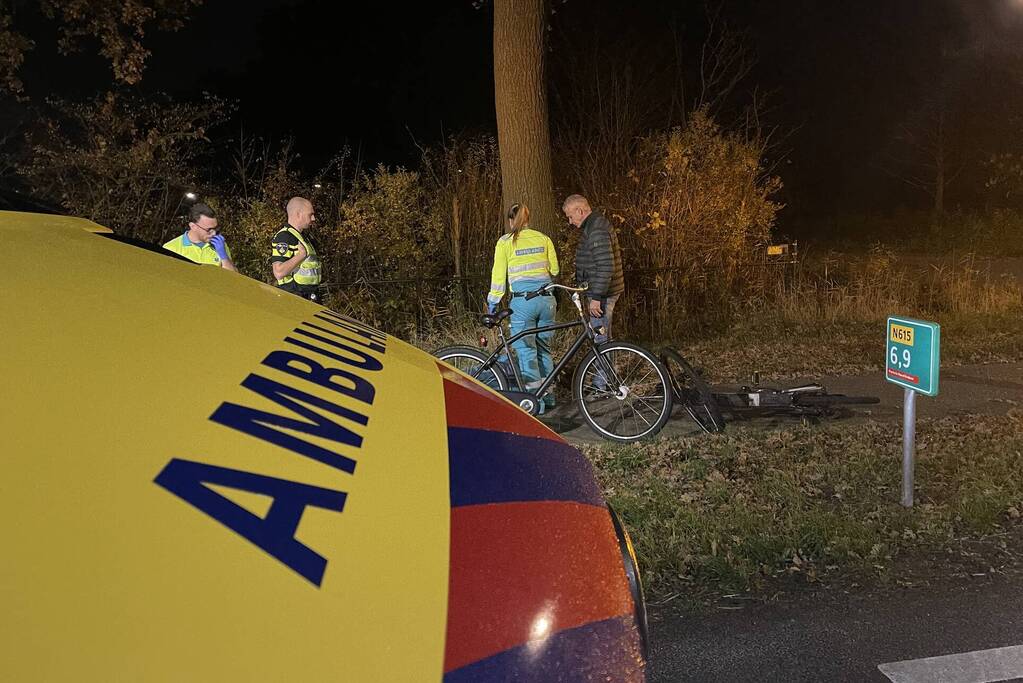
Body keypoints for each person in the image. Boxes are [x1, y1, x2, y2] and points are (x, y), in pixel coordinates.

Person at [486, 203, 559, 409]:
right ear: (529, 219)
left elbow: (498, 277)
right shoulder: (543, 239)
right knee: (544, 349)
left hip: (523, 303)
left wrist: (493, 302)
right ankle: (549, 396)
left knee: (527, 352)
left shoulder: (505, 242)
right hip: (547, 301)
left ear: (511, 221)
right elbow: (555, 269)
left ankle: (536, 403)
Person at [563, 194, 624, 343]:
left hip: (602, 294)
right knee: (604, 337)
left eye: (570, 216)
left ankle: (604, 359)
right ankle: (607, 358)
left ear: (580, 211)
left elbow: (605, 265)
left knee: (600, 338)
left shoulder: (596, 230)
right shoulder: (594, 225)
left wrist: (596, 297)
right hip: (601, 290)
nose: (570, 221)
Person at [271, 196, 322, 301]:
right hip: (293, 298)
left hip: (310, 297)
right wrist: (300, 256)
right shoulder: (284, 237)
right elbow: (279, 272)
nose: (313, 218)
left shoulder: (304, 237)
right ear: (298, 214)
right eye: (310, 214)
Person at [162, 202, 237, 271]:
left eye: (216, 228)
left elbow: (233, 277)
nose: (214, 233)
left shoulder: (219, 245)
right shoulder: (171, 248)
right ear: (193, 226)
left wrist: (224, 257)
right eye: (209, 229)